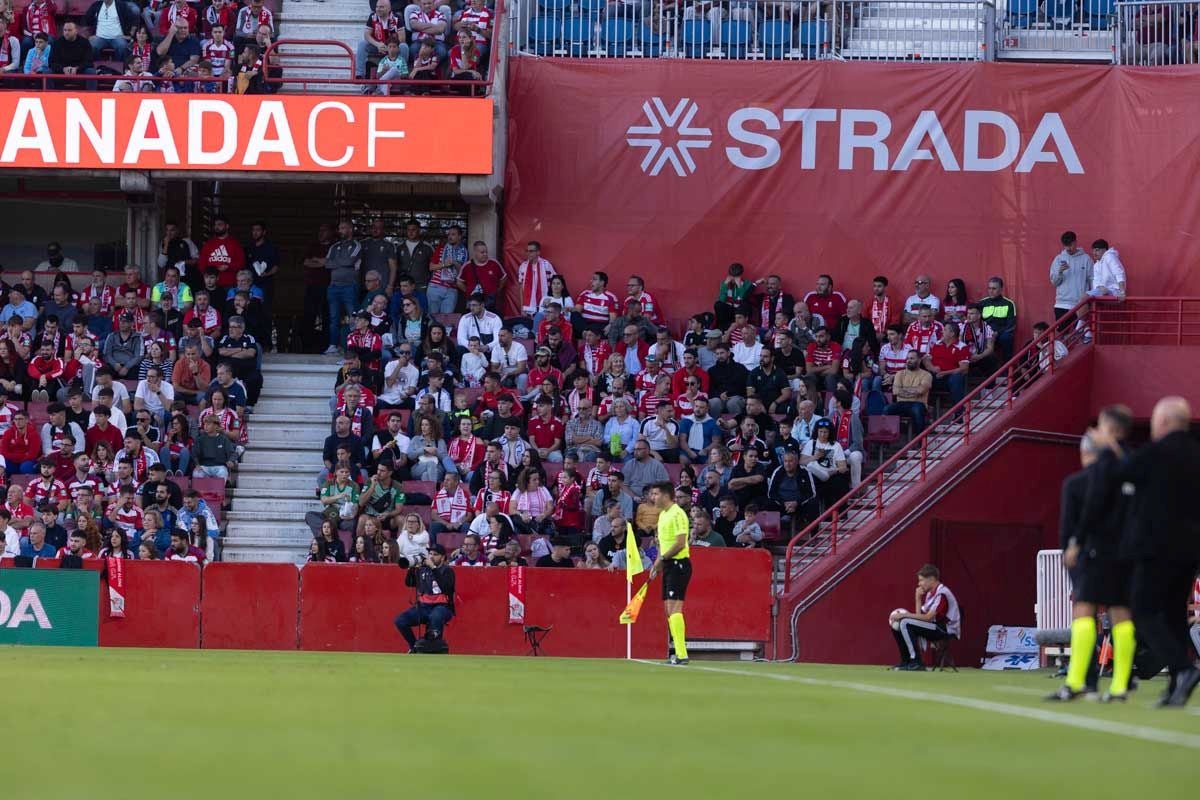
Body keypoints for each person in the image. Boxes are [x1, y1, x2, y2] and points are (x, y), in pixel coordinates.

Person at [1107, 396, 1200, 707]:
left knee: (1144, 610)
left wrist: (1112, 446)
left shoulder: (1156, 452)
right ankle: (1176, 686)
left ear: (1162, 422)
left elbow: (1122, 473)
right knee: (1175, 615)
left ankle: (1185, 670)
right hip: (1190, 551)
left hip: (1155, 547)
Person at [1048, 408, 1134, 703]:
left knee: (1084, 609)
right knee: (1121, 611)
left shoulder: (1098, 471)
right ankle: (1121, 686)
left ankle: (1075, 683)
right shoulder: (1131, 463)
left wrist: (1076, 542)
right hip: (1127, 549)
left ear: (1107, 429)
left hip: (1099, 548)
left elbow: (1093, 508)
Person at [646, 481, 691, 665]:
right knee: (668, 609)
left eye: (655, 494)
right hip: (668, 564)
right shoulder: (663, 515)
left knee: (674, 608)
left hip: (679, 563)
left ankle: (681, 654)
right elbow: (663, 544)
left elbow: (680, 542)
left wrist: (662, 560)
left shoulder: (677, 513)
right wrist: (658, 564)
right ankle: (679, 653)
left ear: (666, 495)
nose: (652, 497)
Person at [889, 563, 961, 671]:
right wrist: (918, 598)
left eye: (921, 580)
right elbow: (919, 616)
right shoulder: (930, 594)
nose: (919, 584)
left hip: (944, 629)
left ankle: (916, 661)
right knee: (897, 624)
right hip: (934, 626)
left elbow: (927, 617)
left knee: (905, 622)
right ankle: (906, 661)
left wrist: (904, 615)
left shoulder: (942, 593)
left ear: (932, 579)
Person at [393, 543, 455, 652]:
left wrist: (434, 568)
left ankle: (434, 646)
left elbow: (446, 588)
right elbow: (409, 583)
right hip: (423, 606)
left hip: (442, 607)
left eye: (435, 554)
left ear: (443, 557)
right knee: (400, 620)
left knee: (435, 616)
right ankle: (414, 647)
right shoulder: (423, 569)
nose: (431, 556)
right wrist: (412, 569)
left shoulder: (447, 571)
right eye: (430, 553)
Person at [324, 221, 362, 356]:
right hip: (333, 286)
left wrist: (338, 263)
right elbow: (327, 263)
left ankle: (354, 346)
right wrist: (343, 263)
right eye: (339, 228)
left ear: (350, 229)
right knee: (333, 318)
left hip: (349, 286)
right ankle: (333, 345)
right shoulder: (334, 246)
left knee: (354, 317)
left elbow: (350, 261)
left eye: (343, 228)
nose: (340, 230)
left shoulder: (356, 245)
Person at [883, 350, 932, 434]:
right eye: (907, 358)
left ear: (919, 360)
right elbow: (895, 391)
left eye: (912, 358)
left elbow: (920, 390)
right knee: (886, 409)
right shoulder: (899, 374)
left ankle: (920, 441)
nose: (908, 361)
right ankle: (886, 441)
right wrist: (914, 390)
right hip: (901, 403)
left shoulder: (926, 375)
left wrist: (903, 390)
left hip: (918, 403)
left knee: (917, 410)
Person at [1050, 230, 1093, 324]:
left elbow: (1092, 280)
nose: (1068, 248)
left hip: (1079, 305)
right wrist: (1060, 272)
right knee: (1062, 335)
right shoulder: (1058, 259)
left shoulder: (1086, 259)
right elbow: (1054, 282)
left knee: (1078, 335)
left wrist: (1090, 300)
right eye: (1065, 245)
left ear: (1075, 242)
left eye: (1070, 245)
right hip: (1061, 304)